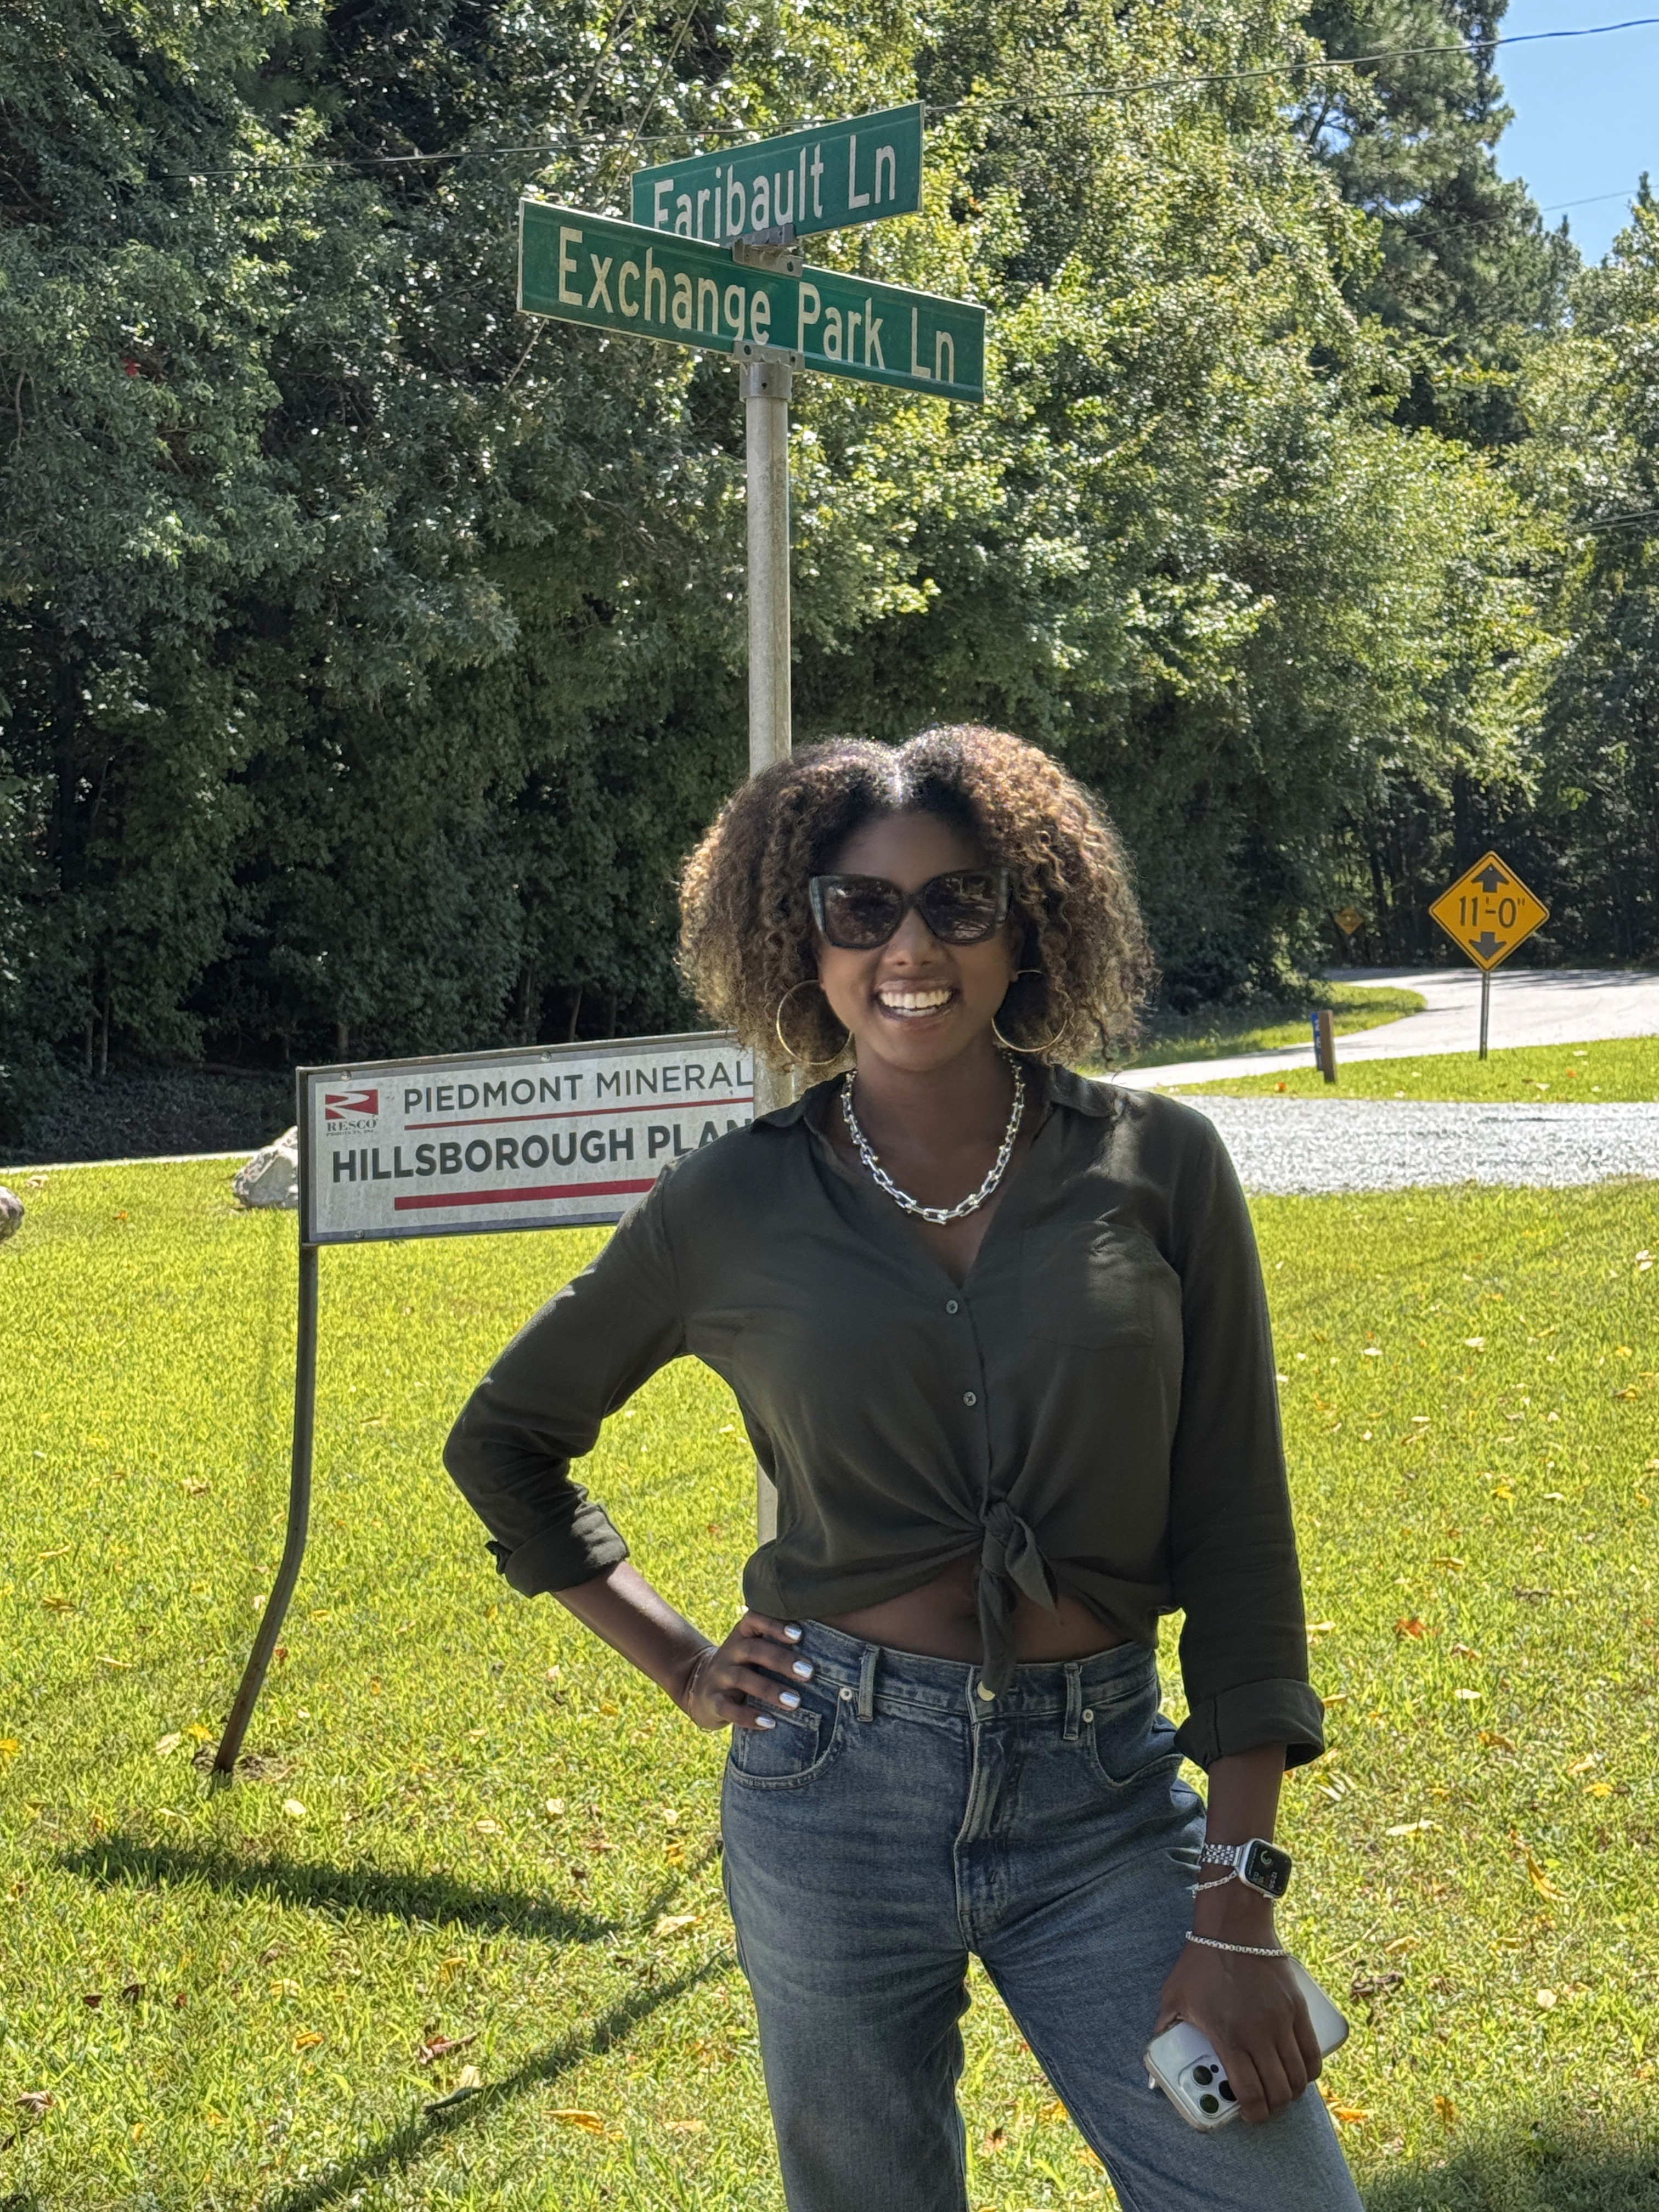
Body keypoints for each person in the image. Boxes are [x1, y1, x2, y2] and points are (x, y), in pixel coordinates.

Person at [443, 726, 1362, 2211]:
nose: (908, 947)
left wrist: (1238, 1908)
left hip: (1108, 1794)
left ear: (1028, 925)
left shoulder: (1162, 1166)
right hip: (830, 1793)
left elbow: (1243, 1539)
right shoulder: (730, 1200)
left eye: (957, 901)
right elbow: (502, 1442)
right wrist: (678, 1660)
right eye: (858, 909)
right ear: (799, 938)